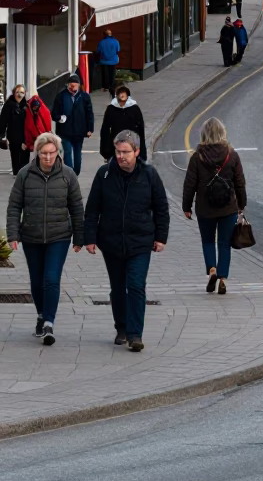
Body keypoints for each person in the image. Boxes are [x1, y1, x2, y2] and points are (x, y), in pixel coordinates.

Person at [83, 130, 169, 352]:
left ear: (137, 151)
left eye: (125, 152)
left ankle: (135, 334)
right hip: (111, 242)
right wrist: (89, 238)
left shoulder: (149, 175)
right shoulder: (104, 174)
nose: (121, 156)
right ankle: (121, 327)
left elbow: (161, 208)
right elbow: (92, 209)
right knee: (118, 287)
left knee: (136, 285)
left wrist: (161, 237)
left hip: (141, 242)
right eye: (118, 151)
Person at [5, 131, 83, 346]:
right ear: (37, 153)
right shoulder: (25, 174)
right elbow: (14, 206)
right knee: (37, 280)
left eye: (51, 153)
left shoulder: (68, 175)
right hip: (31, 235)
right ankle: (41, 315)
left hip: (59, 236)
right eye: (43, 153)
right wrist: (13, 234)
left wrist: (79, 237)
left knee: (51, 278)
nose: (48, 157)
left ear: (58, 153)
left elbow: (77, 208)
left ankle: (49, 322)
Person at [182, 117, 246, 295]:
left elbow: (190, 184)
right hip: (228, 207)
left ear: (204, 134)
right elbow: (240, 183)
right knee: (224, 244)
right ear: (222, 133)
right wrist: (241, 205)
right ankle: (222, 278)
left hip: (205, 207)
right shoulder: (232, 154)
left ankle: (212, 269)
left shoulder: (197, 156)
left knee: (208, 241)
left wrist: (186, 207)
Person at [53, 73, 94, 175]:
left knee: (77, 155)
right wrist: (60, 118)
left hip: (79, 131)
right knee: (67, 153)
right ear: (67, 85)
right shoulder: (61, 96)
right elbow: (54, 113)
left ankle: (76, 172)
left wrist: (90, 129)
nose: (72, 86)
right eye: (71, 84)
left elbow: (89, 113)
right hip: (64, 131)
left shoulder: (84, 97)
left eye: (75, 84)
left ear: (79, 85)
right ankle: (70, 174)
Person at [100, 85, 146, 162]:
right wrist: (106, 151)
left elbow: (141, 129)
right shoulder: (111, 109)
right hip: (116, 145)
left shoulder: (134, 108)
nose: (122, 95)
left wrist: (142, 151)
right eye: (120, 93)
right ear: (116, 95)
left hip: (132, 144)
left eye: (124, 93)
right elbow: (105, 129)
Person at [0, 84, 28, 175]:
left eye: (22, 92)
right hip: (13, 135)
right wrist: (2, 135)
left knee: (25, 156)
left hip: (26, 135)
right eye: (17, 92)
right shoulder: (9, 105)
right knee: (15, 155)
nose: (19, 94)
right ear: (14, 93)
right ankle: (17, 173)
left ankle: (24, 174)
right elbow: (3, 120)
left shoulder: (27, 105)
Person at [95, 29, 120, 97]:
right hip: (113, 60)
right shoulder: (115, 41)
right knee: (112, 74)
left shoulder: (101, 42)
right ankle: (112, 86)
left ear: (104, 34)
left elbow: (98, 51)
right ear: (111, 34)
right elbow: (118, 50)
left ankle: (106, 87)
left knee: (105, 74)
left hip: (104, 61)